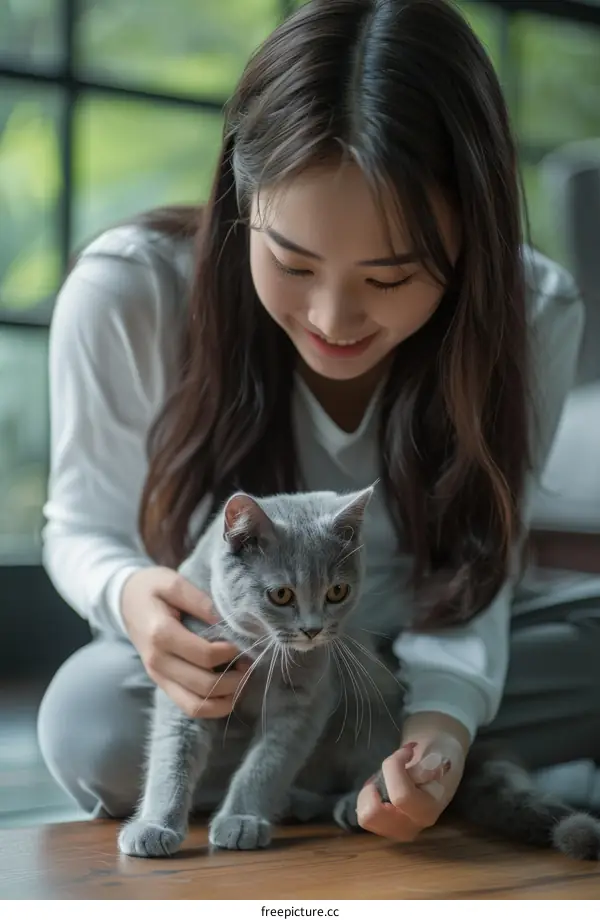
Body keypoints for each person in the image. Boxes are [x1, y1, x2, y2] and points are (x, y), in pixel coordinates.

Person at [38, 0, 600, 843]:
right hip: (246, 666)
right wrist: (134, 602)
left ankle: (417, 760)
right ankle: (447, 764)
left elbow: (483, 569)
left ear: (471, 238)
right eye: (292, 262)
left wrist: (441, 723)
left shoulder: (533, 310)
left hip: (404, 658)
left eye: (391, 276)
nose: (335, 318)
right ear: (240, 197)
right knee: (92, 720)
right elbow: (80, 528)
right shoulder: (131, 290)